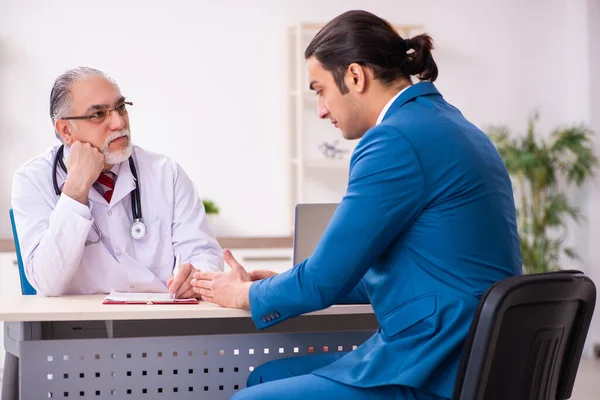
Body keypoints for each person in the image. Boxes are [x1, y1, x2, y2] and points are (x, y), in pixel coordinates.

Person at [191, 10, 522, 400]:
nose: (321, 109)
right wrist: (277, 283)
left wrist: (242, 295)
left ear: (354, 76)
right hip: (479, 356)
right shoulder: (453, 125)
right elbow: (408, 272)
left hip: (437, 365)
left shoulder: (394, 140)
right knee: (267, 378)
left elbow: (322, 282)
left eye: (319, 89)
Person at [11, 67, 223, 297]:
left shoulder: (166, 173)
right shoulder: (32, 180)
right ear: (65, 130)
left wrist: (195, 276)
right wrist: (74, 192)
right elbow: (47, 283)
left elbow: (203, 255)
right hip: (78, 326)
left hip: (161, 318)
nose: (118, 122)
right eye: (98, 114)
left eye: (120, 108)